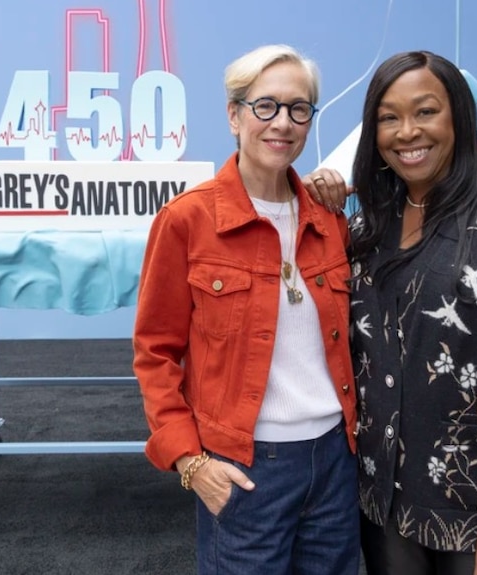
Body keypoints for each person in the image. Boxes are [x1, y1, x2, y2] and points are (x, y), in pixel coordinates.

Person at [304, 50, 477, 575]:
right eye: (389, 117)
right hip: (384, 505)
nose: (407, 131)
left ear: (458, 115)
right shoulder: (369, 229)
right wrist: (326, 197)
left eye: (426, 111)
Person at [132, 44, 360, 574]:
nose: (283, 122)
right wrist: (191, 462)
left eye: (298, 108)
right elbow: (154, 353)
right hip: (246, 466)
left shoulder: (330, 220)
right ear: (234, 115)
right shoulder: (186, 220)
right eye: (266, 106)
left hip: (335, 460)